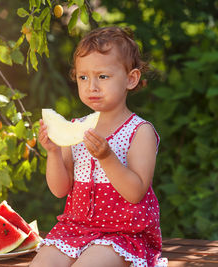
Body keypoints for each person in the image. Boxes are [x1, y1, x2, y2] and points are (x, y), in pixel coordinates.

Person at [31, 26, 168, 267]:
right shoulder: (75, 128)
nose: (91, 86)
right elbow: (60, 189)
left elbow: (135, 192)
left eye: (102, 76)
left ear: (131, 79)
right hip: (74, 229)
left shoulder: (139, 131)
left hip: (123, 234)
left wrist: (106, 157)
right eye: (83, 77)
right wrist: (53, 152)